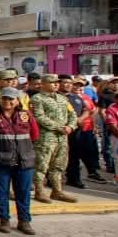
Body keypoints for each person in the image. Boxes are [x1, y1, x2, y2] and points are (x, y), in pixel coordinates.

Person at [0, 87, 40, 234]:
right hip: (1, 161)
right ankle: (4, 220)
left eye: (10, 99)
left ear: (17, 101)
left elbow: (34, 135)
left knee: (23, 192)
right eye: (4, 98)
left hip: (24, 160)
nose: (7, 101)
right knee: (1, 192)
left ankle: (24, 221)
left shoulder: (26, 115)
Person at [30, 73, 78, 204]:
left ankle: (57, 191)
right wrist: (59, 127)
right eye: (52, 82)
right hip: (46, 137)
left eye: (57, 82)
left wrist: (71, 127)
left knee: (59, 165)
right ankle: (39, 191)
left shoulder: (63, 99)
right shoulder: (37, 99)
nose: (56, 84)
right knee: (41, 165)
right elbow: (39, 117)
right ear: (43, 84)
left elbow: (72, 114)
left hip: (62, 137)